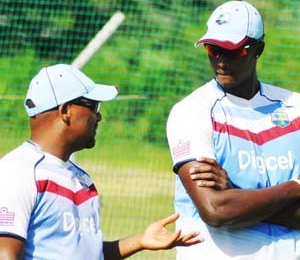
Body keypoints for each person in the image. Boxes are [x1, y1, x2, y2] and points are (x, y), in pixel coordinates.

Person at [0, 64, 203, 260]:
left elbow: (88, 253)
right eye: (93, 106)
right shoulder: (17, 172)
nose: (99, 116)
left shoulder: (81, 179)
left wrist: (140, 240)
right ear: (65, 111)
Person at [166, 0, 300, 260]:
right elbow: (216, 211)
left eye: (233, 51)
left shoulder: (295, 107)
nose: (221, 60)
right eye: (212, 49)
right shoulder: (190, 111)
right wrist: (293, 189)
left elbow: (228, 205)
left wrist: (235, 191)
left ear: (258, 49)